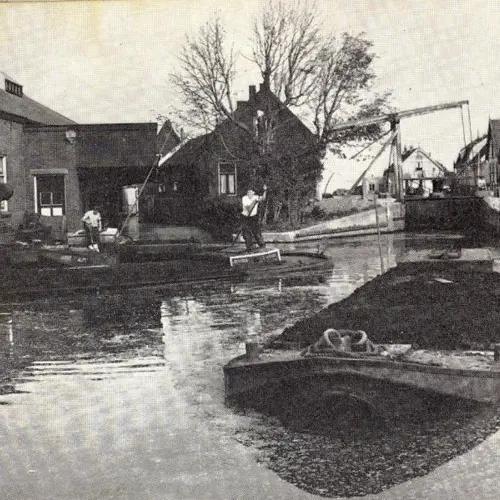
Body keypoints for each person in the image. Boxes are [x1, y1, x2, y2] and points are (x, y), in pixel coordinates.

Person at [241, 184, 267, 251]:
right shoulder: (244, 198)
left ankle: (262, 245)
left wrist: (265, 191)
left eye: (250, 192)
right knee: (246, 233)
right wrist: (254, 201)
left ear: (253, 192)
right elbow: (249, 209)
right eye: (248, 192)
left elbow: (263, 198)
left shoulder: (256, 196)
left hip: (254, 217)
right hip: (245, 217)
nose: (249, 193)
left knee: (256, 231)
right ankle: (250, 247)